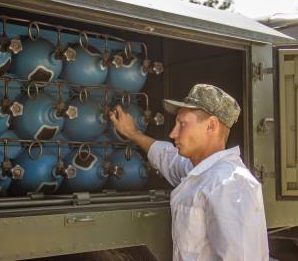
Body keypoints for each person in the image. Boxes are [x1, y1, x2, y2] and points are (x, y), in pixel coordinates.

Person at [109, 84, 269, 261]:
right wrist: (133, 134)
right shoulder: (201, 172)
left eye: (182, 124)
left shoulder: (231, 184)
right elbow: (167, 158)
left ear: (211, 126)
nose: (172, 133)